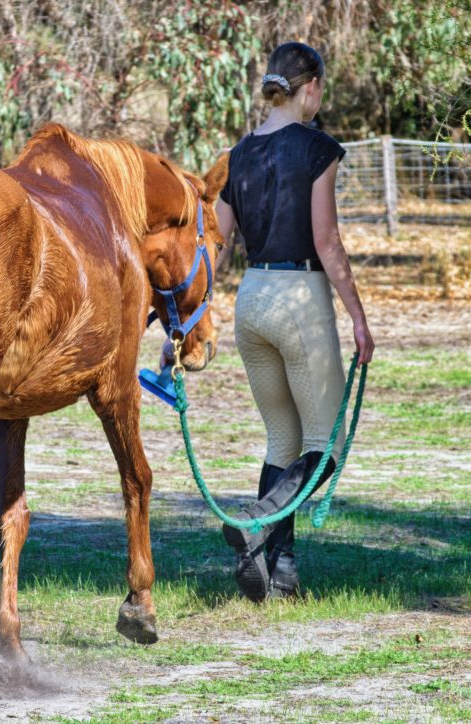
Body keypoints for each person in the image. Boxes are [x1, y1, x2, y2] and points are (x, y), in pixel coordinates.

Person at [215, 41, 375, 602]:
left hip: (251, 302)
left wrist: (188, 320)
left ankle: (278, 574)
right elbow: (327, 240)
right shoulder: (317, 148)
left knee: (283, 439)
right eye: (321, 90)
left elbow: (216, 245)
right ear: (310, 87)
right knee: (326, 447)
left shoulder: (237, 155)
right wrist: (357, 316)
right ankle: (258, 521)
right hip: (299, 298)